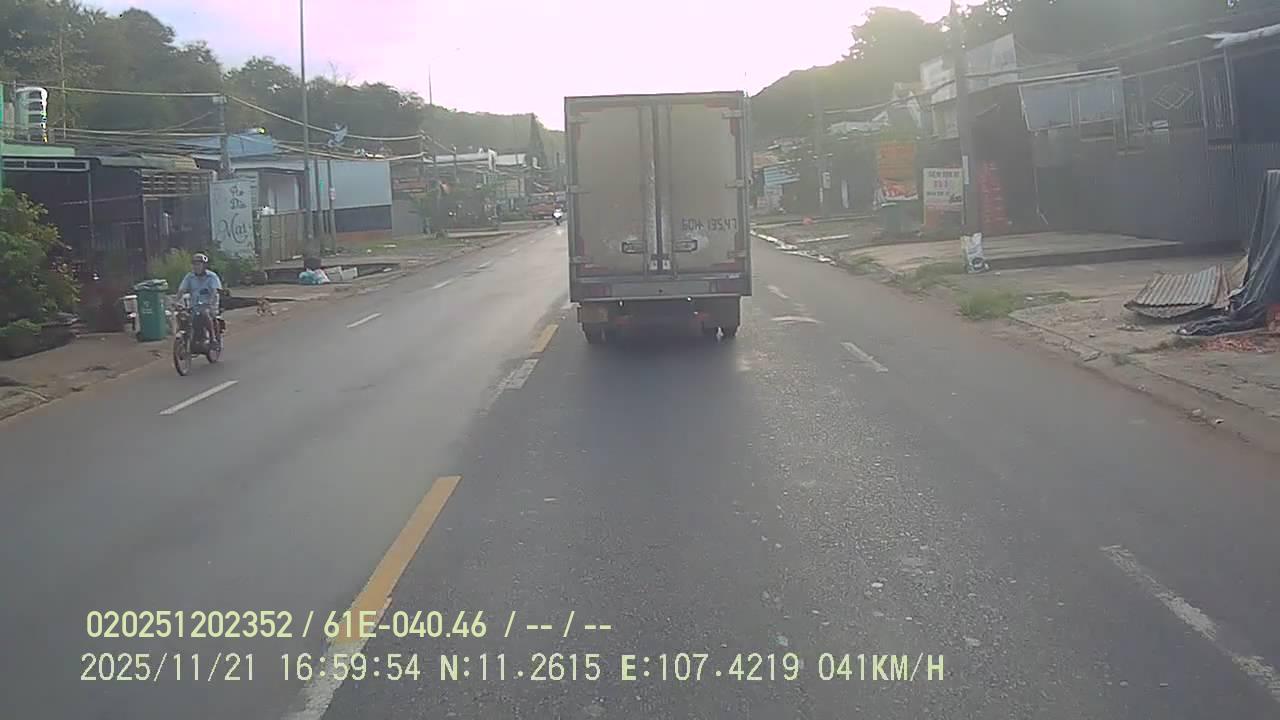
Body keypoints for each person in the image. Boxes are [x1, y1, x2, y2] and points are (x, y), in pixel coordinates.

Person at [177, 252, 223, 349]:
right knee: (184, 316)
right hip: (194, 305)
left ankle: (213, 339)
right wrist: (177, 301)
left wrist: (210, 303)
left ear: (204, 266)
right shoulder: (189, 277)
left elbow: (214, 291)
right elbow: (182, 290)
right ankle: (191, 338)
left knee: (205, 314)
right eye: (194, 264)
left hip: (210, 305)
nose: (196, 267)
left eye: (199, 264)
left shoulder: (212, 276)